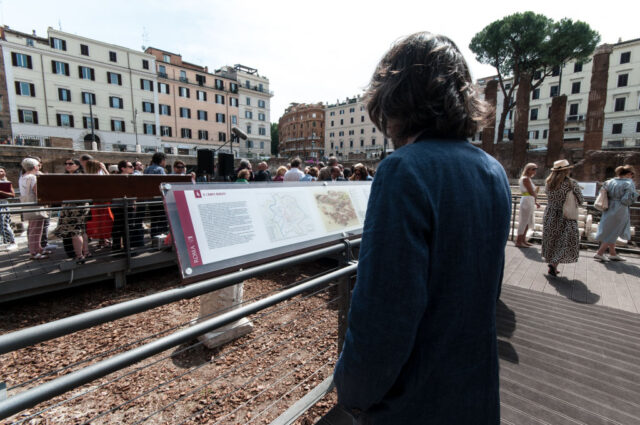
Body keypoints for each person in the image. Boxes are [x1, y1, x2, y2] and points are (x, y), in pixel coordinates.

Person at [333, 32, 511, 424]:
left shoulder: (404, 169)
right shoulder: (492, 169)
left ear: (394, 97)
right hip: (474, 390)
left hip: (414, 402)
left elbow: (384, 311)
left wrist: (352, 391)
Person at [541, 159, 584, 277]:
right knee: (565, 241)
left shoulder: (548, 182)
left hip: (550, 214)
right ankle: (554, 264)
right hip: (565, 216)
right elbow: (581, 200)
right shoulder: (571, 183)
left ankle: (551, 263)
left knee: (551, 239)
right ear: (566, 170)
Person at [594, 165, 638, 261]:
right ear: (629, 174)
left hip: (608, 206)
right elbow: (627, 199)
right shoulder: (629, 183)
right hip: (620, 208)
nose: (632, 176)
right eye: (632, 174)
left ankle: (612, 253)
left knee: (609, 228)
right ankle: (600, 253)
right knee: (614, 230)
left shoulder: (609, 181)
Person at [55, 159, 90, 262]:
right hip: (77, 206)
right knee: (81, 229)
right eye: (66, 163)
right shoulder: (79, 176)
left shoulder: (77, 176)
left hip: (75, 206)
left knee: (76, 230)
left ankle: (79, 255)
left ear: (78, 165)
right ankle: (86, 252)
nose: (67, 165)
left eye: (70, 164)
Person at [19, 158, 49, 259]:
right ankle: (34, 251)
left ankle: (38, 248)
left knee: (34, 228)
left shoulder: (22, 177)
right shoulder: (32, 177)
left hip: (27, 205)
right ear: (35, 166)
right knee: (36, 229)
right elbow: (38, 191)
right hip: (35, 205)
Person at [516, 163, 541, 248]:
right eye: (533, 169)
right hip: (527, 200)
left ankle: (523, 240)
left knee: (527, 221)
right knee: (523, 221)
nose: (535, 171)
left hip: (529, 200)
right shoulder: (525, 179)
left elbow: (531, 192)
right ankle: (519, 241)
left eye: (535, 169)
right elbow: (531, 191)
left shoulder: (528, 179)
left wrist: (535, 201)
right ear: (528, 169)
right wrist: (535, 196)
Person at [0, 166, 18, 251]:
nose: (0, 172)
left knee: (5, 224)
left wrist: (1, 192)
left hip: (3, 204)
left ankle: (12, 242)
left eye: (2, 171)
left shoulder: (7, 183)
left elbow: (13, 194)